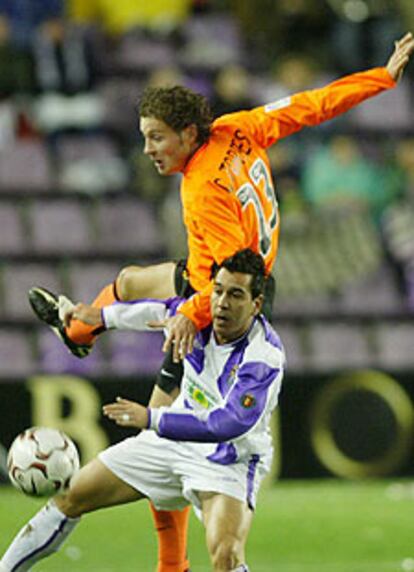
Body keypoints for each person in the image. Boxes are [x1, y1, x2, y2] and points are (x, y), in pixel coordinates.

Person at [27, 32, 414, 572]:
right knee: (132, 282)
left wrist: (188, 314)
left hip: (225, 296)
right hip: (237, 280)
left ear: (187, 133)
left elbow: (218, 278)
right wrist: (381, 77)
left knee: (161, 418)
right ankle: (80, 329)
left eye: (156, 138)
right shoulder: (239, 128)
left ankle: (172, 563)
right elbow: (308, 105)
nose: (149, 149)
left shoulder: (201, 186)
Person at [1, 249, 285, 572]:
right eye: (217, 291)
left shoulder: (263, 356)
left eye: (235, 295)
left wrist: (151, 418)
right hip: (170, 444)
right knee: (71, 496)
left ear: (256, 304)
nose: (222, 303)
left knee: (226, 555)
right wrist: (101, 318)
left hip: (227, 459)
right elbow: (155, 310)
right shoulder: (198, 316)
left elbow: (227, 423)